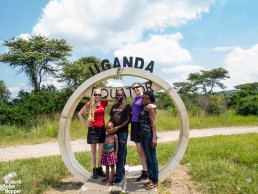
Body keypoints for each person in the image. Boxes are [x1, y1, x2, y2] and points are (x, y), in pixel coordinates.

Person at [78, 88, 111, 179]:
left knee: (100, 150)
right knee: (93, 151)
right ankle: (94, 169)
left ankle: (100, 168)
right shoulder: (90, 104)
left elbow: (115, 103)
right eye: (95, 94)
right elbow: (80, 113)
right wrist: (85, 124)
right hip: (92, 130)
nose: (97, 96)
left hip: (101, 129)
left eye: (99, 95)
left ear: (101, 96)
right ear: (93, 95)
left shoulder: (104, 103)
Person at [131, 83, 156, 182]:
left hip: (139, 125)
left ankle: (146, 171)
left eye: (137, 87)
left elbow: (151, 105)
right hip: (134, 124)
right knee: (139, 150)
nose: (135, 89)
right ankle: (145, 170)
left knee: (142, 150)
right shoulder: (136, 98)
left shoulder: (143, 97)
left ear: (141, 87)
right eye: (133, 88)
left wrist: (154, 105)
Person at [109, 90, 132, 184]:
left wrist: (118, 127)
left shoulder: (127, 106)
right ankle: (120, 171)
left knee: (121, 152)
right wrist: (109, 126)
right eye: (117, 95)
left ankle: (119, 175)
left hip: (122, 132)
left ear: (123, 96)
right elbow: (111, 117)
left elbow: (129, 119)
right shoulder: (114, 106)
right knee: (115, 151)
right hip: (113, 133)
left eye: (120, 95)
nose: (119, 96)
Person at [139, 91, 159, 190]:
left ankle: (155, 181)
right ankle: (150, 179)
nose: (144, 100)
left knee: (152, 158)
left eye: (146, 99)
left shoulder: (150, 107)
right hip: (143, 136)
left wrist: (154, 137)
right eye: (143, 98)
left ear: (150, 99)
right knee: (148, 158)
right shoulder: (146, 107)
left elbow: (153, 123)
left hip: (149, 136)